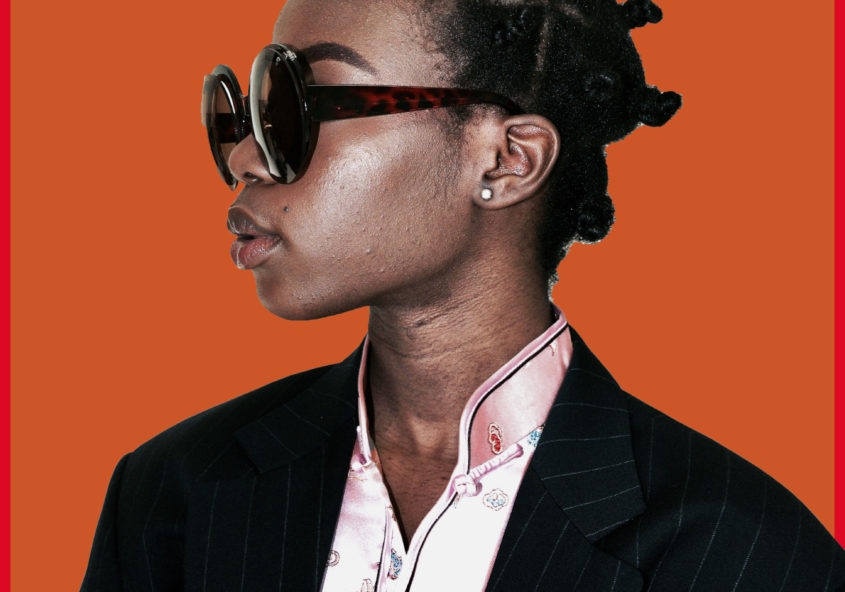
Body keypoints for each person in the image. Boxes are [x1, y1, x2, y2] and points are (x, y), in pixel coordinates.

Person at [81, 0, 844, 590]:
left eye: (303, 107)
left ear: (507, 160)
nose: (247, 156)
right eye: (249, 111)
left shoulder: (745, 552)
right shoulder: (173, 492)